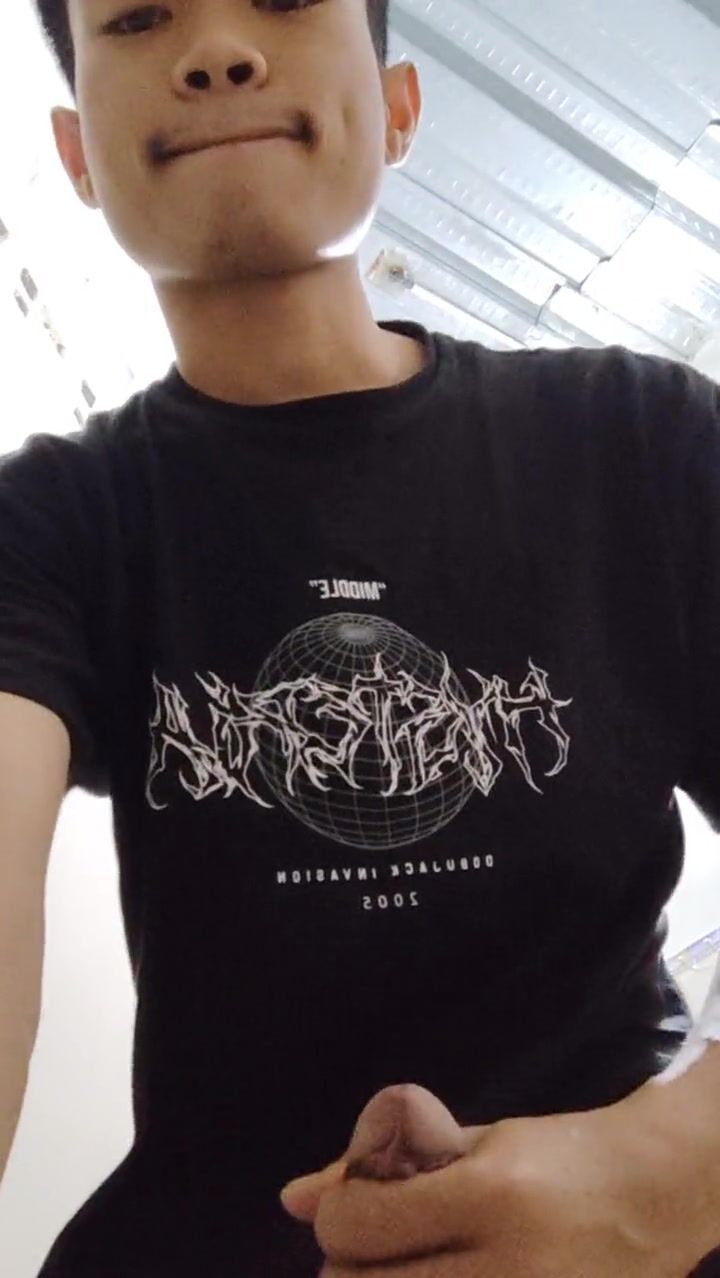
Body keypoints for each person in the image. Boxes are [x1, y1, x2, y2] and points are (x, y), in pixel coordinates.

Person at [2, 0, 720, 1273]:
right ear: (76, 156)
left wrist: (665, 1172)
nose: (217, 51)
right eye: (141, 18)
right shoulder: (51, 524)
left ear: (397, 110)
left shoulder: (643, 439)